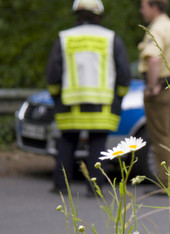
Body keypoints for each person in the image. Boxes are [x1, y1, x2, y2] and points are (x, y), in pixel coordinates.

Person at [46, 0, 131, 196]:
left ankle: (60, 185)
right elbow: (124, 72)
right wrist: (119, 96)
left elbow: (53, 73)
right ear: (98, 15)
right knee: (98, 144)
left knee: (67, 143)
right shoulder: (111, 38)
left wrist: (56, 95)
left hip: (69, 104)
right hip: (102, 105)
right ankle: (95, 188)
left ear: (76, 14)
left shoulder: (64, 38)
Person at [138, 0, 170, 186]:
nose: (141, 10)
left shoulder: (157, 29)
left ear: (154, 7)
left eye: (143, 6)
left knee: (161, 137)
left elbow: (153, 60)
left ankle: (168, 182)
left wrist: (151, 87)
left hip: (161, 88)